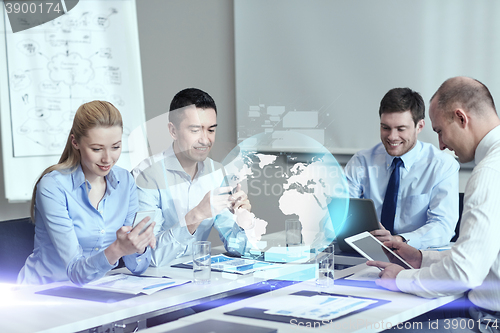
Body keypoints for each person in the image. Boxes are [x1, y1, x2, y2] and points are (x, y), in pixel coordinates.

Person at [368, 77, 500, 332]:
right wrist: (421, 258)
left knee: (384, 327)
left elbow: (465, 272)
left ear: (461, 118)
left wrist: (401, 279)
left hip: (487, 321)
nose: (441, 145)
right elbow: (483, 255)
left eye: (440, 131)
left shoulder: (489, 173)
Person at [18, 101, 156, 285]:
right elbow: (76, 272)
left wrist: (138, 247)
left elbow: (137, 267)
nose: (108, 158)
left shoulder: (125, 181)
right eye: (97, 149)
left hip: (97, 289)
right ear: (75, 142)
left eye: (115, 147)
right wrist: (118, 249)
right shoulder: (53, 187)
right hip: (45, 293)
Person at [133, 88, 262, 267]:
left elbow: (239, 248)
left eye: (211, 130)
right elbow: (147, 257)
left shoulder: (216, 172)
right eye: (195, 130)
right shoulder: (146, 175)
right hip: (154, 282)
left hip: (197, 277)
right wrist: (197, 215)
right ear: (173, 131)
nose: (205, 140)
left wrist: (243, 221)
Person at [344, 88, 459, 249]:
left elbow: (443, 227)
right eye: (385, 128)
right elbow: (340, 212)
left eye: (400, 129)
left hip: (416, 258)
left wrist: (399, 240)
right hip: (366, 252)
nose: (392, 136)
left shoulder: (442, 165)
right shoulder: (361, 161)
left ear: (419, 126)